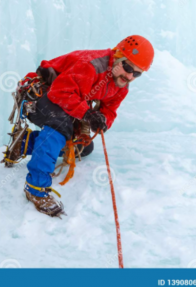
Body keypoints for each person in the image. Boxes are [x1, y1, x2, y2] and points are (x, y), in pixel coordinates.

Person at [23, 35, 154, 218]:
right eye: (127, 67)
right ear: (117, 56)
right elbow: (59, 92)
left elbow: (110, 110)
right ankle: (36, 188)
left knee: (82, 147)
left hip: (64, 103)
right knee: (61, 125)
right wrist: (87, 113)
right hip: (41, 95)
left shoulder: (121, 85)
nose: (130, 76)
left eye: (137, 73)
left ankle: (24, 143)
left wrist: (103, 121)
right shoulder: (91, 66)